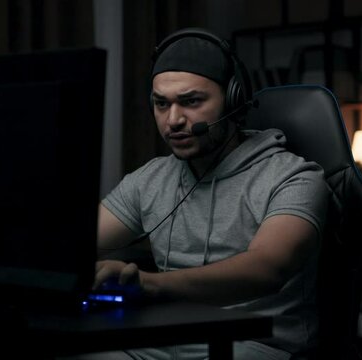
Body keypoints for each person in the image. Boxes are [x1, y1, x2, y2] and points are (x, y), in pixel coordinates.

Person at [92, 28, 330, 359]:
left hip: (255, 346)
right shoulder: (149, 180)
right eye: (162, 104)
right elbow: (77, 245)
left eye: (191, 101)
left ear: (234, 99)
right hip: (164, 343)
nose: (173, 120)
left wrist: (147, 285)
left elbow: (267, 269)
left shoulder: (293, 178)